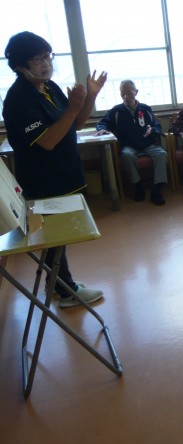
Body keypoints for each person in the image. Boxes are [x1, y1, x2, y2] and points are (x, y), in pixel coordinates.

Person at [2, 31, 105, 307]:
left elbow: (75, 123)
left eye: (48, 56)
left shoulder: (49, 88)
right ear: (20, 65)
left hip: (64, 175)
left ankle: (59, 283)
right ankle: (66, 291)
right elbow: (47, 141)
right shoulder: (18, 99)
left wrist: (90, 97)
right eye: (38, 59)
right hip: (43, 181)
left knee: (59, 239)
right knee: (54, 237)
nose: (46, 64)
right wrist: (73, 108)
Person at [96, 80, 168, 206]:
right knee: (126, 155)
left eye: (129, 92)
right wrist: (102, 129)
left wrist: (152, 130)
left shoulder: (145, 109)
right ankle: (138, 185)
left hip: (147, 144)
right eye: (122, 93)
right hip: (129, 146)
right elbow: (103, 123)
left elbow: (157, 126)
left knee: (162, 154)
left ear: (136, 92)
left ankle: (157, 189)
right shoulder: (116, 111)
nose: (125, 96)